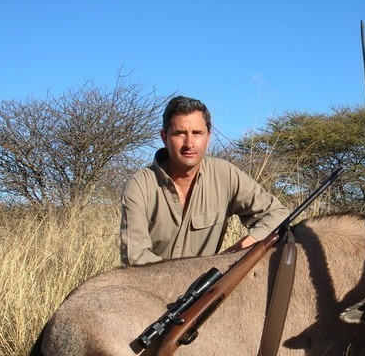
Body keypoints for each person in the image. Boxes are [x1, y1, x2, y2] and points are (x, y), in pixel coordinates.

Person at [120, 95, 289, 266]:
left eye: (197, 133)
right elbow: (135, 256)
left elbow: (277, 214)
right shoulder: (139, 185)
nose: (189, 143)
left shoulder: (225, 174)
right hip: (153, 285)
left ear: (208, 137)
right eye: (180, 133)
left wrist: (234, 253)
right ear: (164, 137)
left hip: (209, 286)